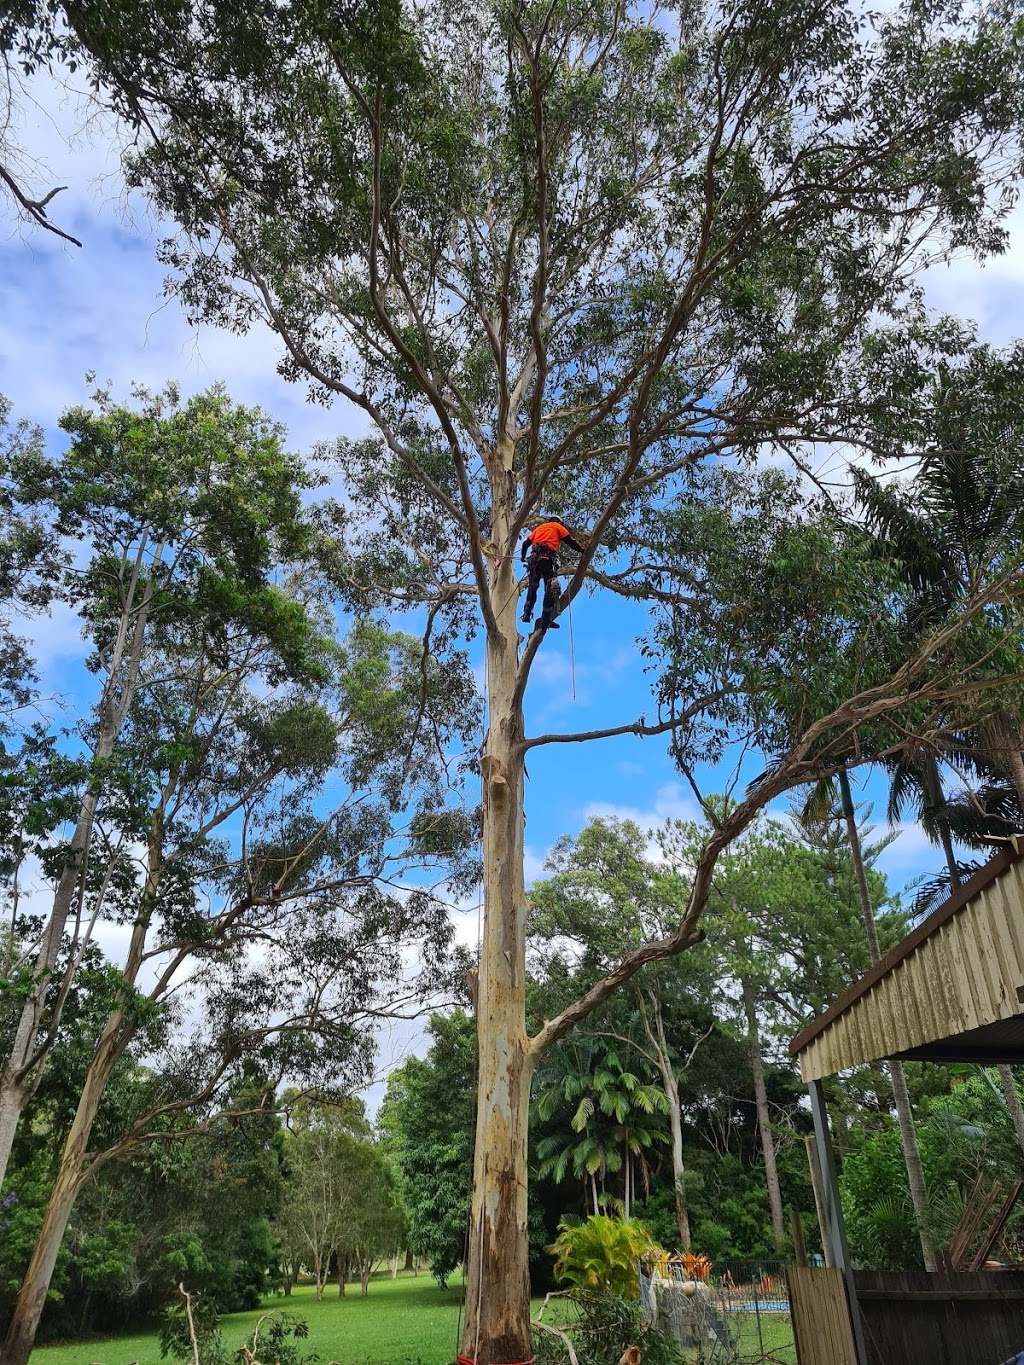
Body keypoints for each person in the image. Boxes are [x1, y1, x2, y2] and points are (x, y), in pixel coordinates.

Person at [520, 514, 584, 631]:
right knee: (551, 588)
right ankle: (545, 619)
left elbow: (525, 543)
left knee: (533, 587)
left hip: (534, 560)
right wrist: (582, 550)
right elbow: (570, 540)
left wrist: (523, 557)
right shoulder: (557, 526)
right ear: (559, 522)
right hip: (547, 559)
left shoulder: (539, 528)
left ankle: (527, 613)